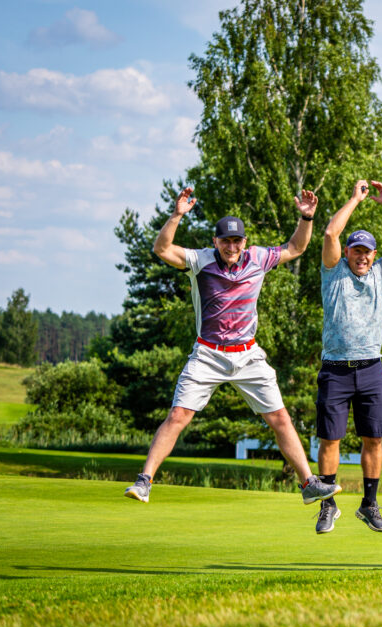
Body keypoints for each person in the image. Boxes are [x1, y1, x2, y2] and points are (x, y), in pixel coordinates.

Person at [123, 187, 340, 507]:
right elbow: (162, 249)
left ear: (244, 242)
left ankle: (308, 484)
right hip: (208, 354)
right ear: (216, 242)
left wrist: (306, 218)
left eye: (237, 241)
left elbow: (297, 247)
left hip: (248, 354)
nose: (231, 246)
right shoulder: (200, 260)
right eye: (225, 241)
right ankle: (144, 481)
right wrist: (177, 215)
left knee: (280, 418)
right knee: (178, 415)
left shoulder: (258, 258)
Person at [313, 179, 382, 534]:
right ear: (348, 253)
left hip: (371, 369)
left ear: (373, 255)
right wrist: (355, 200)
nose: (361, 256)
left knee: (374, 439)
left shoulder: (381, 274)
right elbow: (330, 233)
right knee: (331, 439)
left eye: (366, 252)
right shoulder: (333, 272)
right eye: (355, 250)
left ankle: (369, 504)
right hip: (335, 369)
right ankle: (328, 505)